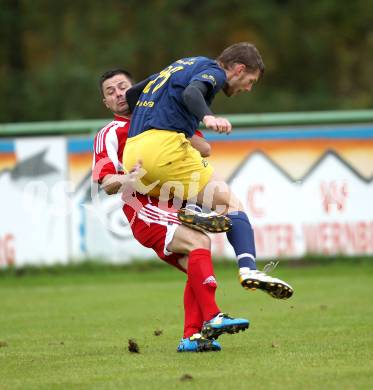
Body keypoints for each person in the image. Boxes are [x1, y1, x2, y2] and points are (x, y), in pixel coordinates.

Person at [92, 68, 249, 353]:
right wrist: (128, 178)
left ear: (135, 89)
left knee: (197, 264)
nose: (118, 94)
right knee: (199, 242)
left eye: (122, 87)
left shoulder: (163, 117)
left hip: (176, 205)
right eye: (110, 92)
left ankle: (191, 337)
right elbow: (106, 183)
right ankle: (214, 316)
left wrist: (178, 132)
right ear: (106, 103)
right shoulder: (110, 134)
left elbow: (205, 148)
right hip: (145, 209)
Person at [123, 42, 294, 300]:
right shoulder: (214, 72)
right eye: (250, 81)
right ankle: (249, 268)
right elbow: (192, 93)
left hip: (134, 153)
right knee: (231, 204)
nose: (247, 88)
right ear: (238, 69)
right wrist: (208, 117)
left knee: (189, 187)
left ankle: (191, 210)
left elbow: (132, 95)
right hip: (164, 147)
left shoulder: (180, 65)